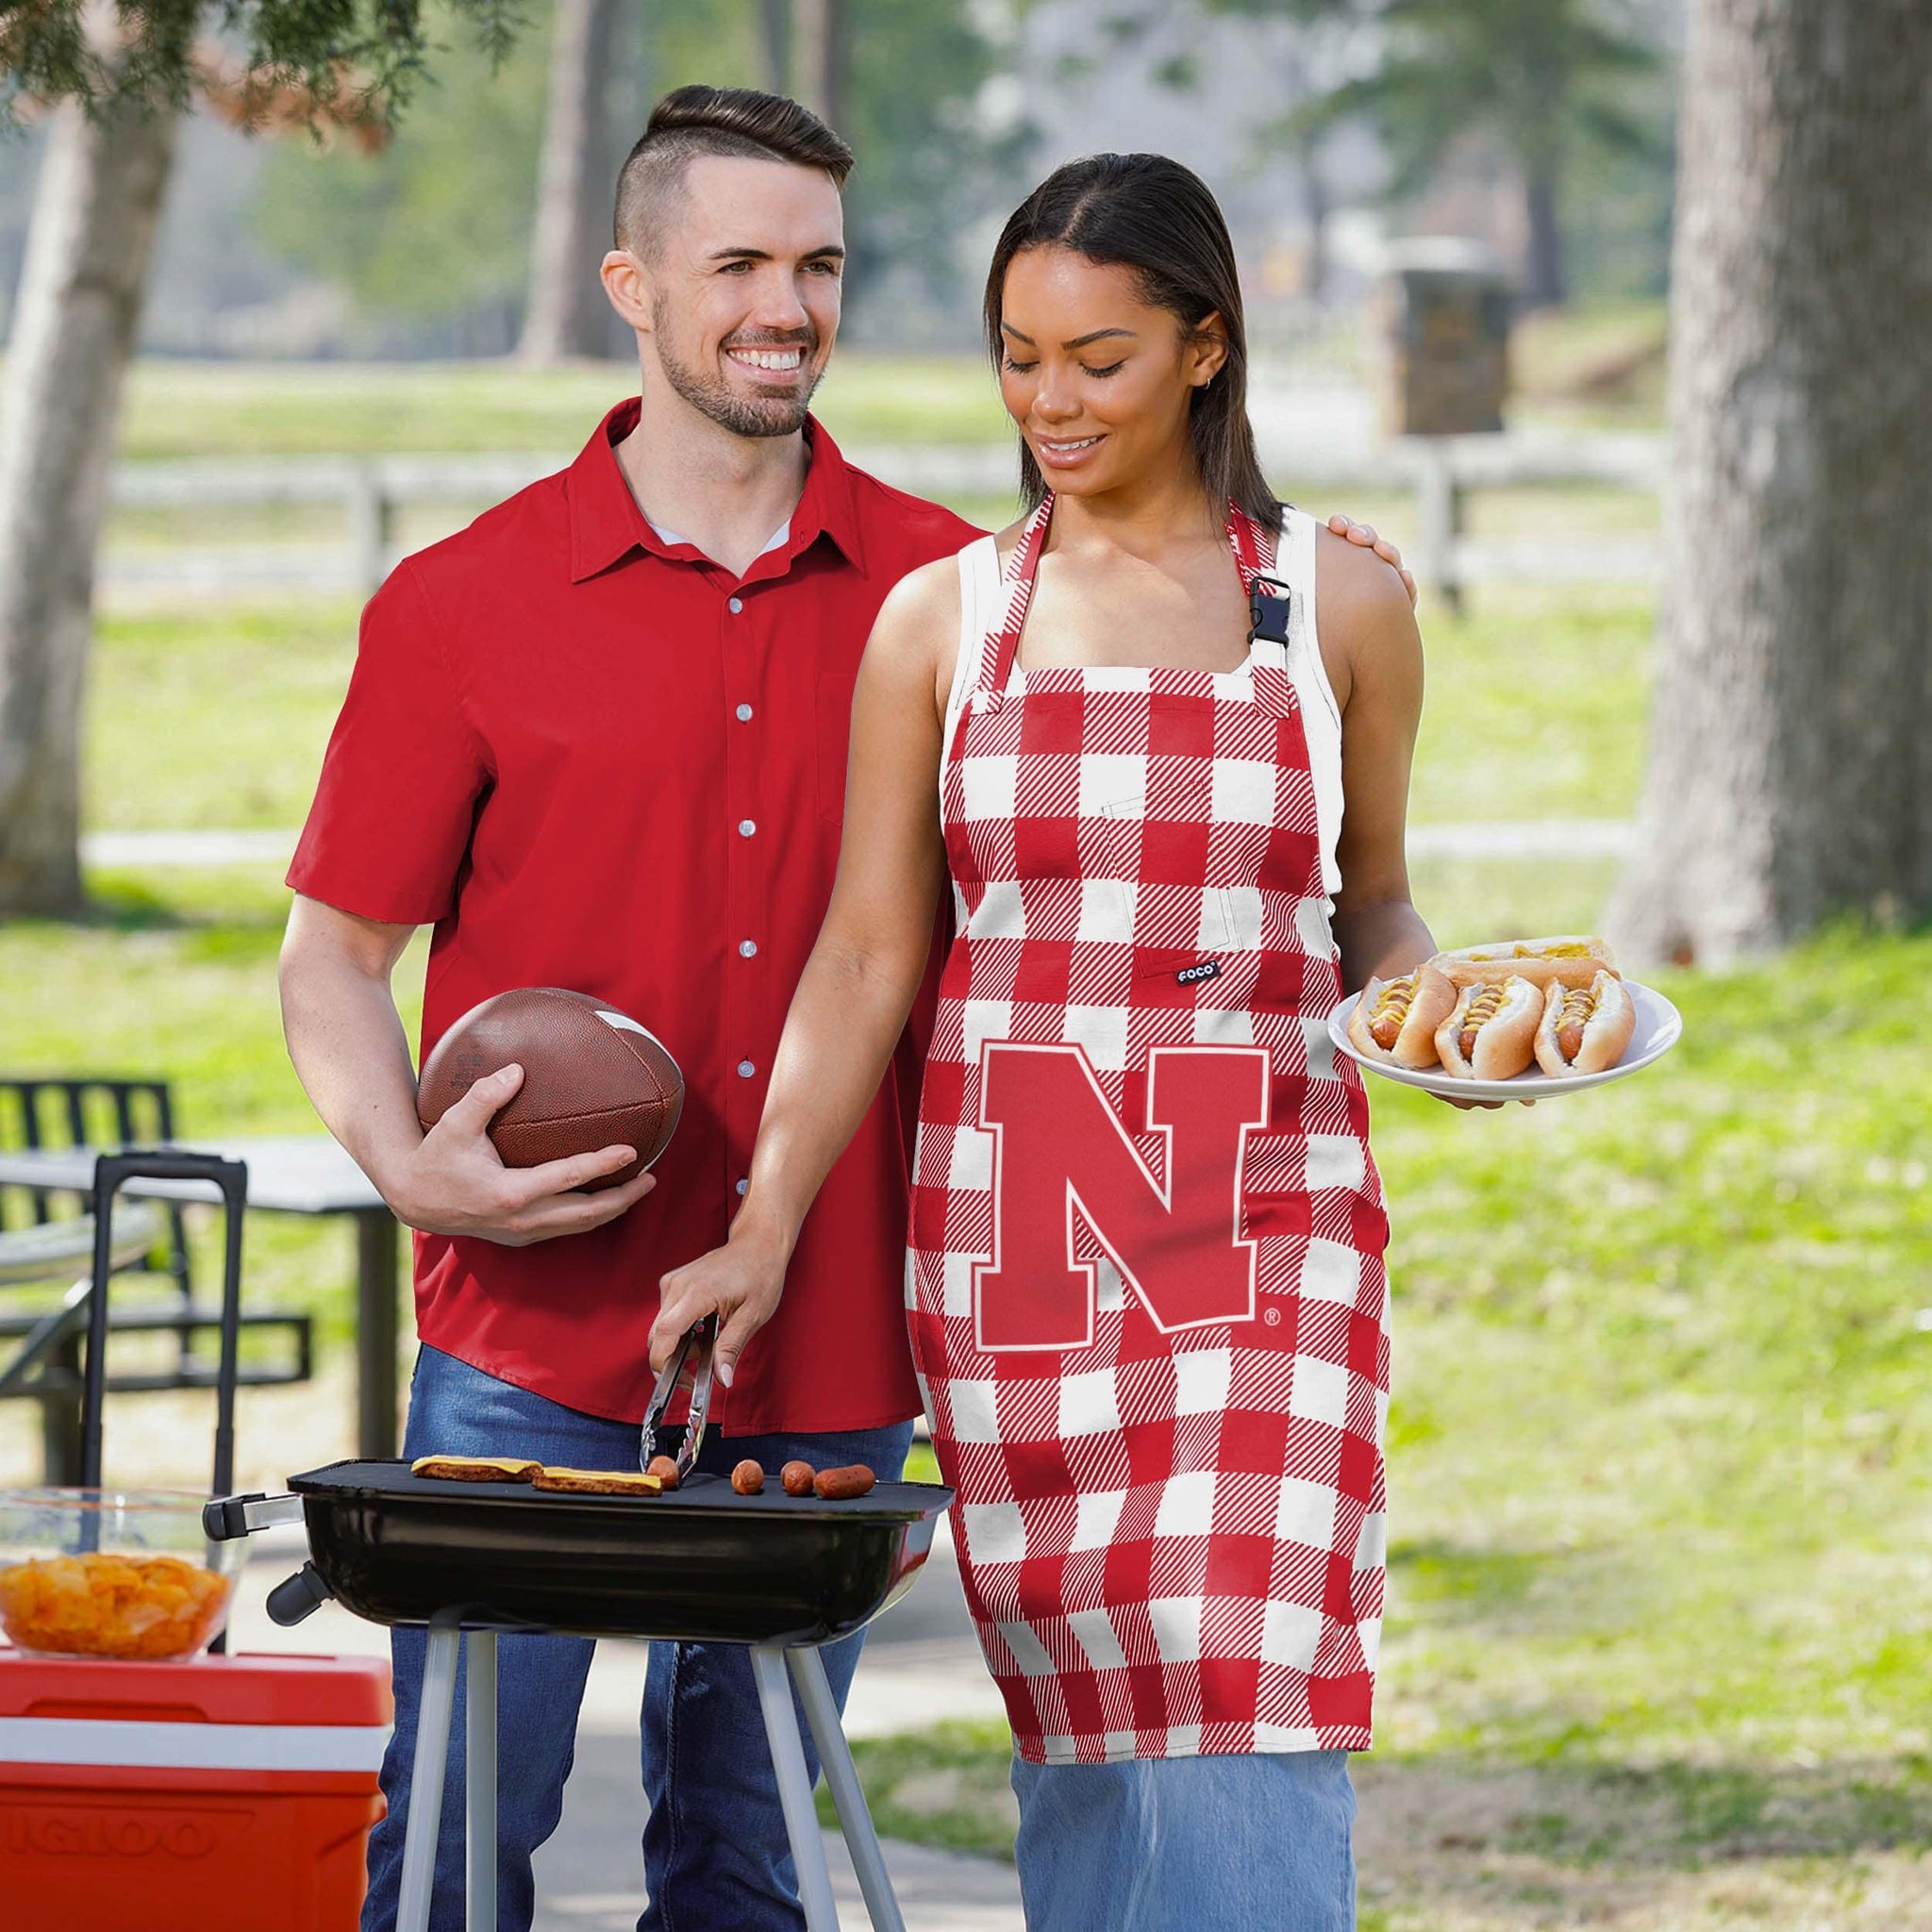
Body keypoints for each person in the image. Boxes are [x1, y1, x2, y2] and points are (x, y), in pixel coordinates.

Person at [282, 82, 1411, 1931]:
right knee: (459, 1836)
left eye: (816, 265)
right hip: (536, 1327)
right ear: (631, 285)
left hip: (841, 1329)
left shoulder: (953, 582)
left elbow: (1104, 884)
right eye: (738, 264)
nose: (784, 306)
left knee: (753, 1856)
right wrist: (407, 1163)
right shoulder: (465, 601)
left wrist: (1304, 598)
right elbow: (331, 954)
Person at [655, 152, 1445, 1931]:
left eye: (1098, 359)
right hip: (1023, 1242)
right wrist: (763, 1227)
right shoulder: (946, 619)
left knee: (1242, 1683)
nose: (1050, 403)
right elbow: (871, 952)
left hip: (1264, 1226)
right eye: (1018, 358)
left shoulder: (1341, 605)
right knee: (1090, 1729)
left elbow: (1377, 904)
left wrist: (1437, 1010)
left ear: (1206, 347)